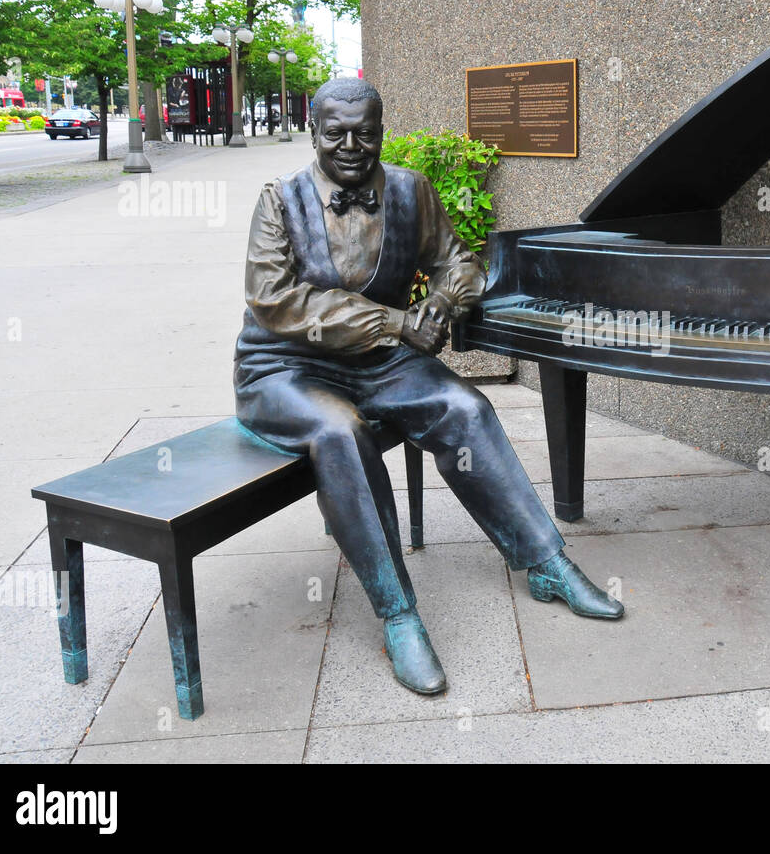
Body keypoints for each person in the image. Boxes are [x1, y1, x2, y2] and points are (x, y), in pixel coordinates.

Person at [233, 77, 622, 696]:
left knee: (464, 405)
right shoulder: (279, 200)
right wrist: (394, 321)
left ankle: (544, 560)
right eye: (335, 133)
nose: (352, 145)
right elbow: (274, 300)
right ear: (313, 134)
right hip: (287, 368)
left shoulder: (411, 190)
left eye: (367, 131)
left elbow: (461, 260)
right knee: (341, 432)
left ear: (383, 132)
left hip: (382, 365)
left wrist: (441, 302)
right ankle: (398, 613)